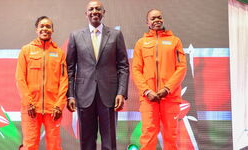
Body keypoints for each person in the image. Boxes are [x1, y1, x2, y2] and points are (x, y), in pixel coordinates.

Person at [66, 0, 129, 150]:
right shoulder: (75, 36)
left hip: (109, 94)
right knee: (87, 139)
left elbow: (123, 66)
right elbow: (70, 69)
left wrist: (121, 92)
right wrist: (71, 95)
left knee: (109, 139)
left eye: (98, 9)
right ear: (86, 13)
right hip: (84, 94)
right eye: (91, 9)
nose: (95, 11)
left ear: (103, 13)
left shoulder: (115, 35)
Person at [132, 9, 187, 150]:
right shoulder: (141, 43)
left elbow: (181, 67)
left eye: (159, 17)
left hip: (170, 97)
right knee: (148, 135)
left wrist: (167, 89)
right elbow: (136, 70)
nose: (157, 20)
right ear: (147, 22)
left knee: (171, 135)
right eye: (153, 18)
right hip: (148, 98)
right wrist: (146, 91)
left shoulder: (175, 41)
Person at [16, 16, 68, 150]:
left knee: (54, 146)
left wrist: (59, 105)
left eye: (48, 26)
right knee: (30, 145)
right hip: (31, 109)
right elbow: (20, 79)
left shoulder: (59, 53)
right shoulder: (26, 51)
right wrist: (29, 103)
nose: (45, 29)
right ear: (36, 29)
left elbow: (64, 81)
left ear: (52, 30)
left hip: (53, 109)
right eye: (42, 26)